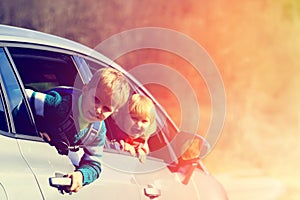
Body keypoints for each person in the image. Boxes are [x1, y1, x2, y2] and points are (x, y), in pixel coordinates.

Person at [13, 67, 130, 193]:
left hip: (47, 166)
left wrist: (81, 175)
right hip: (24, 156)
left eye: (107, 108)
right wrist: (32, 131)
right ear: (85, 89)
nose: (98, 110)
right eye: (96, 99)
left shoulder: (98, 131)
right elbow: (20, 99)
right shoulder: (59, 105)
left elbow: (94, 164)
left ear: (114, 112)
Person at [113, 93, 157, 163]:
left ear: (150, 124)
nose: (139, 124)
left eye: (144, 121)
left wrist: (141, 151)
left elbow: (145, 150)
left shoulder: (143, 140)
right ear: (123, 117)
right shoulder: (112, 132)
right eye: (134, 118)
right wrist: (121, 146)